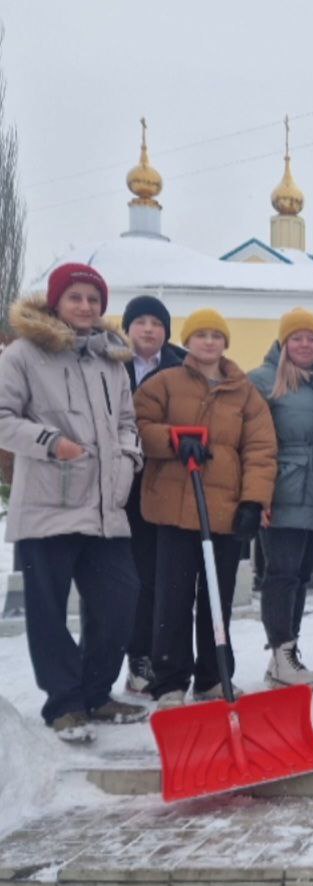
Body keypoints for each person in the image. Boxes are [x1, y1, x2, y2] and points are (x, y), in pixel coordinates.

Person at [0, 263, 147, 741]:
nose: (85, 307)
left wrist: (128, 457)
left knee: (119, 600)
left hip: (105, 504)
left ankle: (96, 692)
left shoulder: (110, 358)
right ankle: (64, 704)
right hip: (49, 499)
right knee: (49, 608)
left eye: (93, 299)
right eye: (75, 297)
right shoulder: (24, 354)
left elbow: (127, 419)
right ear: (56, 302)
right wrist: (50, 442)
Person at [135, 309, 277, 707]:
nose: (209, 342)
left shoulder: (244, 391)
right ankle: (169, 680)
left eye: (217, 335)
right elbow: (138, 426)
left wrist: (254, 500)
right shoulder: (164, 382)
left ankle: (214, 676)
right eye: (201, 335)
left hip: (225, 511)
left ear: (225, 342)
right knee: (173, 598)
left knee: (218, 597)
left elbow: (261, 449)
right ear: (188, 340)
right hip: (175, 509)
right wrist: (174, 439)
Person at [248, 308, 313, 689]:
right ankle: (281, 653)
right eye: (296, 338)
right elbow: (250, 442)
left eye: (312, 338)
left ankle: (287, 655)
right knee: (280, 575)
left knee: (300, 576)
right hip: (281, 490)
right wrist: (257, 496)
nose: (305, 345)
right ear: (284, 343)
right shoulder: (262, 381)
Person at [120, 295, 186, 697]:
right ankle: (136, 655)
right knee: (132, 579)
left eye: (156, 323)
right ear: (128, 328)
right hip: (121, 484)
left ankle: (161, 656)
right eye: (140, 322)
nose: (148, 329)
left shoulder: (180, 368)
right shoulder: (111, 365)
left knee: (162, 578)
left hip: (167, 481)